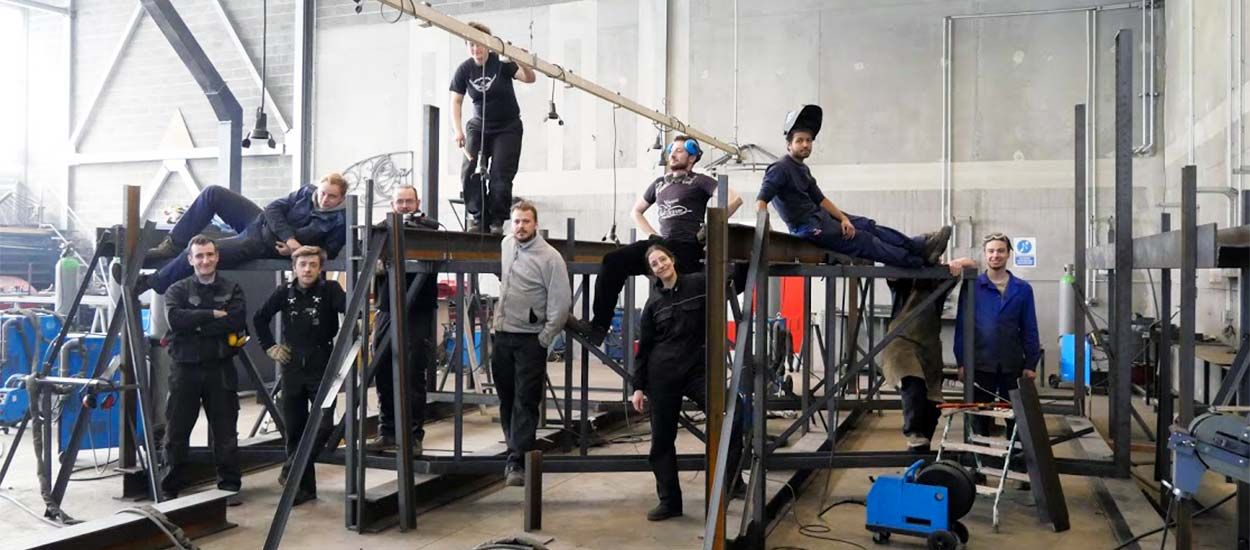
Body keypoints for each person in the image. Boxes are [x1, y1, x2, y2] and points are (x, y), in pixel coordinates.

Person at [566, 134, 742, 346]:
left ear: (692, 157)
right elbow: (636, 211)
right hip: (662, 245)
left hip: (687, 246)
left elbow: (735, 199)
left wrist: (709, 227)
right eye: (671, 151)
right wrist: (652, 234)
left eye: (679, 151)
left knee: (679, 297)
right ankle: (599, 327)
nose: (673, 155)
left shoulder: (700, 181)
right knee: (612, 261)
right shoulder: (659, 184)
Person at [630, 244, 745, 521]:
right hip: (662, 376)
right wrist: (638, 387)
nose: (661, 265)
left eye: (663, 259)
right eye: (655, 263)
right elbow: (644, 348)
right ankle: (670, 502)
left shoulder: (699, 283)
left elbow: (733, 280)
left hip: (696, 372)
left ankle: (732, 480)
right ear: (652, 271)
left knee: (734, 413)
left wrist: (743, 254)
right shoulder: (652, 304)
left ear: (672, 260)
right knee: (661, 441)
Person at [755, 105, 951, 268]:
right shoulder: (780, 168)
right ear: (789, 145)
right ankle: (919, 261)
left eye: (808, 140)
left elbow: (821, 200)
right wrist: (768, 233)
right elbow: (761, 201)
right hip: (808, 228)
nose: (805, 144)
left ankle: (919, 246)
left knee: (866, 225)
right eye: (799, 141)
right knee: (865, 241)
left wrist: (843, 218)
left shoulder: (802, 169)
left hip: (821, 218)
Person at [140, 173, 349, 295]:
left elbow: (327, 253)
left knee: (200, 251)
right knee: (213, 193)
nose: (324, 199)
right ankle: (172, 245)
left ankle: (152, 282)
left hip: (263, 244)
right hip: (259, 221)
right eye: (322, 193)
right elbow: (273, 208)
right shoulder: (306, 192)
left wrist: (296, 251)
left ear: (341, 199)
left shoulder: (340, 220)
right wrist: (291, 239)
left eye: (331, 197)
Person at [251, 246, 346, 505]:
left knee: (323, 424)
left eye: (313, 265)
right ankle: (302, 490)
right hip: (291, 365)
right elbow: (259, 318)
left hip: (322, 363)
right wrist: (270, 347)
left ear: (320, 268)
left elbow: (352, 308)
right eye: (302, 264)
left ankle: (291, 469)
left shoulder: (331, 290)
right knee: (294, 430)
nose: (307, 269)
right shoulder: (284, 292)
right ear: (294, 267)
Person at [160, 235, 246, 504]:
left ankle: (229, 486)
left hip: (220, 368)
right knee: (177, 429)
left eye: (209, 255)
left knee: (225, 431)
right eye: (199, 256)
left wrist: (195, 325)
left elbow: (236, 321)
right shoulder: (176, 290)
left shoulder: (232, 289)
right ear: (190, 260)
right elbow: (175, 320)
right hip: (184, 369)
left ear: (217, 257)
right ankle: (170, 488)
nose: (205, 260)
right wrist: (211, 315)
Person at [491, 201, 570, 486]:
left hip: (530, 340)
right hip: (503, 335)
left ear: (535, 224)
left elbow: (561, 304)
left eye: (526, 221)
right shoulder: (506, 245)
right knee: (506, 397)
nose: (521, 226)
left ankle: (517, 461)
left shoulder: (550, 258)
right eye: (516, 221)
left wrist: (544, 339)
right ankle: (514, 450)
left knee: (525, 400)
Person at [366, 185, 440, 453]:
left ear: (418, 203)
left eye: (409, 201)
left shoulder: (429, 231)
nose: (405, 205)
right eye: (400, 201)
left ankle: (413, 436)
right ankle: (387, 432)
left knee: (412, 372)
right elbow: (366, 251)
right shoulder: (381, 231)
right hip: (387, 307)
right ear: (392, 204)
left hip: (418, 310)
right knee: (383, 367)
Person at [881, 258, 976, 453]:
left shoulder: (939, 278)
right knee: (913, 384)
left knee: (933, 401)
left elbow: (972, 264)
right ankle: (913, 433)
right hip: (902, 342)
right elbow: (890, 270)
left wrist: (957, 263)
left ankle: (920, 450)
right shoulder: (903, 279)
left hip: (929, 344)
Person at [450, 21, 537, 234]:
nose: (476, 49)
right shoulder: (464, 69)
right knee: (470, 171)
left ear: (488, 45)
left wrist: (522, 61)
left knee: (500, 175)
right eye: (471, 45)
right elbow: (456, 101)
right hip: (478, 126)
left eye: (479, 44)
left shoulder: (501, 63)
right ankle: (478, 217)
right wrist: (457, 130)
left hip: (507, 127)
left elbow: (530, 78)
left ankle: (496, 219)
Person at [954, 233, 1041, 436]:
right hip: (980, 364)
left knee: (1017, 417)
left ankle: (1015, 452)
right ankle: (979, 452)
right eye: (991, 251)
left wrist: (1031, 364)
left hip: (1012, 364)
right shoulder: (972, 287)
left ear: (1009, 254)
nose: (995, 255)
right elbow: (962, 327)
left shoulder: (1023, 289)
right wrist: (961, 361)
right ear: (984, 254)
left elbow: (1030, 328)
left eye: (1001, 251)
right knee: (979, 417)